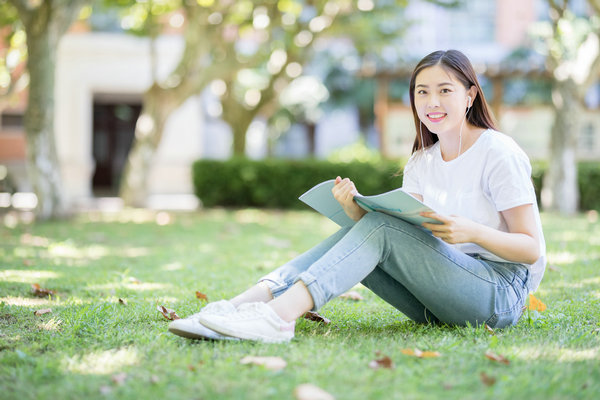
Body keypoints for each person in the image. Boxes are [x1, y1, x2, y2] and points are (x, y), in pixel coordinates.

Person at [168, 49, 546, 343]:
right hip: (438, 299)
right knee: (369, 228)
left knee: (380, 228)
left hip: (498, 294)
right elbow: (396, 238)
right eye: (422, 92)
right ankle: (236, 308)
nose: (432, 102)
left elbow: (530, 249)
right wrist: (353, 209)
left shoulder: (498, 152)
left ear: (469, 96)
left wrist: (474, 232)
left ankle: (277, 319)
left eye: (445, 90)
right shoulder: (422, 161)